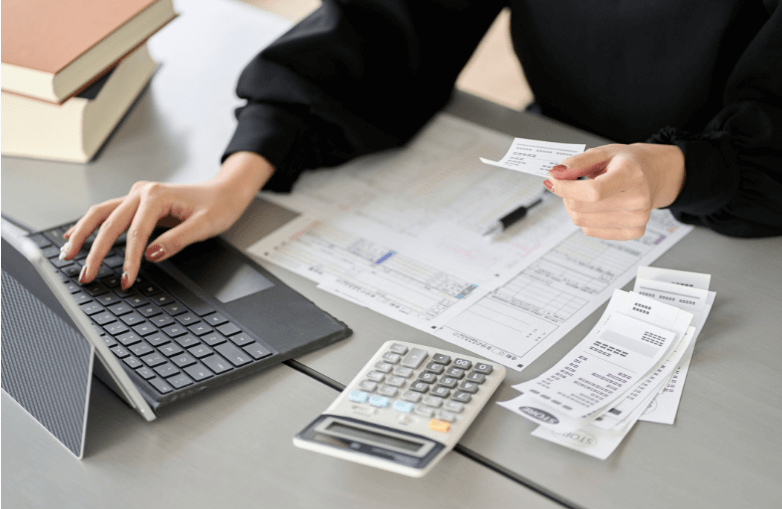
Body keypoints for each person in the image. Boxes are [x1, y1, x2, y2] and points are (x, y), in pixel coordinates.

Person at [60, 0, 782, 290]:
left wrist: (680, 168)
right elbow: (386, 24)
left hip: (743, 219)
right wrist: (236, 178)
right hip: (561, 183)